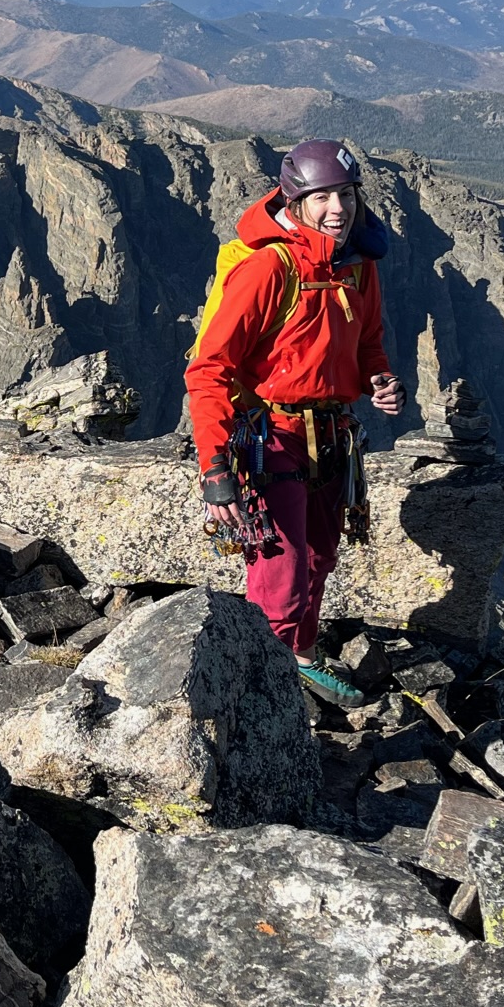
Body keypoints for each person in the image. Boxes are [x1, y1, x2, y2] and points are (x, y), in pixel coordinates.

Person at [184, 140, 405, 705]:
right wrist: (215, 470)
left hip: (333, 438)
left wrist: (378, 379)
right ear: (295, 200)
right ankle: (264, 698)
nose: (338, 208)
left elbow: (369, 343)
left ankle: (298, 660)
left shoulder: (359, 267)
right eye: (323, 196)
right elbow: (208, 372)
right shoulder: (268, 269)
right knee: (279, 579)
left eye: (347, 194)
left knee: (319, 559)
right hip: (273, 441)